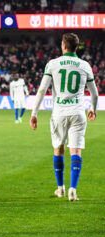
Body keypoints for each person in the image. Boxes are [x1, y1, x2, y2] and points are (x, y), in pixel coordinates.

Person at [30, 33, 98, 201]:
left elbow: (41, 90)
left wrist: (34, 113)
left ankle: (60, 188)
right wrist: (93, 109)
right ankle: (73, 190)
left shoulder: (53, 64)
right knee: (76, 150)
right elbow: (95, 94)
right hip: (78, 112)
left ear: (63, 46)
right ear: (76, 47)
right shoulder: (85, 65)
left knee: (59, 149)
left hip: (59, 112)